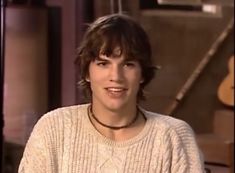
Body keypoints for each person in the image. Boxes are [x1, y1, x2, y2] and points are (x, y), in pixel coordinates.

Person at [18, 14, 204, 173]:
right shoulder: (54, 129)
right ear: (87, 72)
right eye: (103, 63)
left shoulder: (173, 136)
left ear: (142, 74)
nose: (116, 76)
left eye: (128, 64)